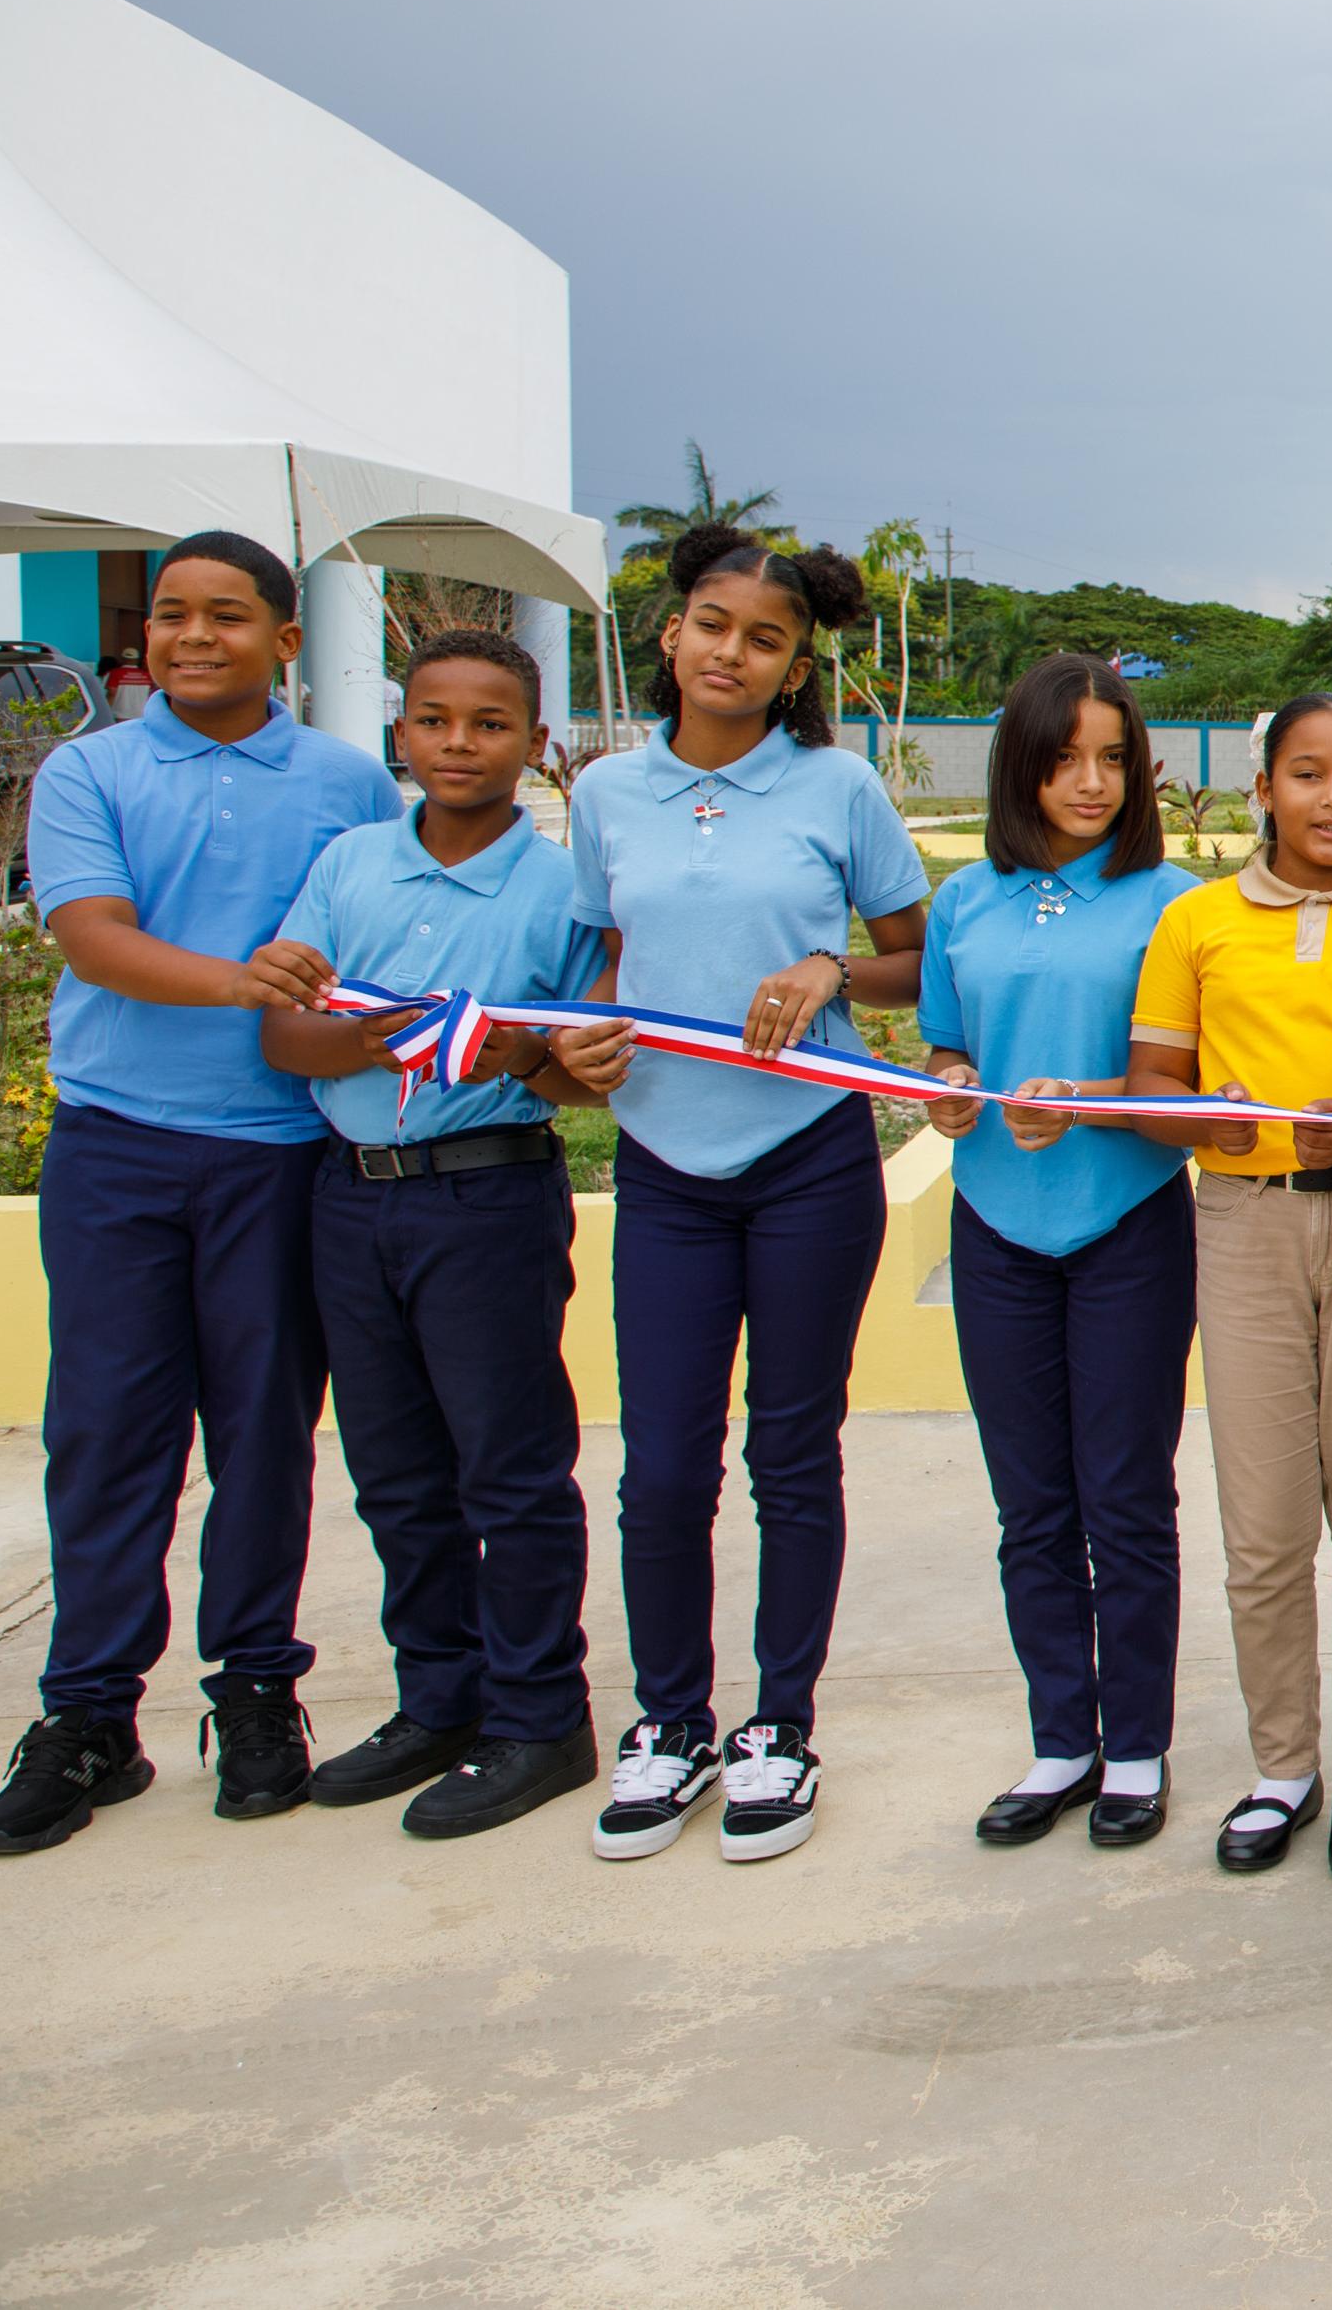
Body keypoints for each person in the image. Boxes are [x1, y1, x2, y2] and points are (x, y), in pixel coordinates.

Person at [0, 534, 399, 1856]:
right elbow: (89, 932)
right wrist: (243, 982)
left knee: (263, 1430)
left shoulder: (347, 782)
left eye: (227, 615)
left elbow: (386, 931)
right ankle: (90, 1714)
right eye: (170, 615)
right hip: (118, 1145)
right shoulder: (88, 768)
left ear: (285, 639)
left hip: (278, 1150)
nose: (192, 635)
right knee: (107, 1432)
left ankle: (256, 1689)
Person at [568, 525, 930, 1864]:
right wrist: (579, 1042)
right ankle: (670, 1723)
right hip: (666, 1164)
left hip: (809, 1165)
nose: (732, 651)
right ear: (672, 635)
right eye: (713, 624)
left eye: (765, 638)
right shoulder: (607, 796)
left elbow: (917, 961)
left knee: (791, 1451)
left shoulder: (837, 792)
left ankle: (779, 1726)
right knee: (662, 1466)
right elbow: (590, 970)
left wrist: (833, 973)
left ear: (793, 668)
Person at [250, 630, 633, 1841]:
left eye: (489, 723)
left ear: (536, 744)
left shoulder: (561, 888)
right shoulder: (350, 864)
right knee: (397, 1472)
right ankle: (441, 1699)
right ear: (400, 732)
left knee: (508, 1470)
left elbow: (582, 1072)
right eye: (433, 719)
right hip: (350, 1193)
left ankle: (538, 1716)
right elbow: (284, 1037)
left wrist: (511, 1049)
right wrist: (390, 1030)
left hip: (484, 1196)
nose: (458, 743)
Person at [1120, 691, 1332, 1880]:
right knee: (1260, 1528)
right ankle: (1280, 1767)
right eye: (1307, 774)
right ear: (1262, 789)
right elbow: (1155, 1088)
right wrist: (1245, 1123)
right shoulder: (1198, 921)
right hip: (1241, 1223)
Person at [916, 654, 1200, 1852]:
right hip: (993, 1225)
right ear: (1018, 763)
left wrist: (1077, 1100)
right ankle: (1059, 1740)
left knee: (1124, 1496)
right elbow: (943, 1047)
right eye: (1064, 756)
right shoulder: (961, 903)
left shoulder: (1174, 900)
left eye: (1113, 758)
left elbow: (1182, 1093)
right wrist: (943, 1089)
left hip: (1127, 1223)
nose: (1089, 782)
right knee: (1029, 1501)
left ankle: (1134, 1747)